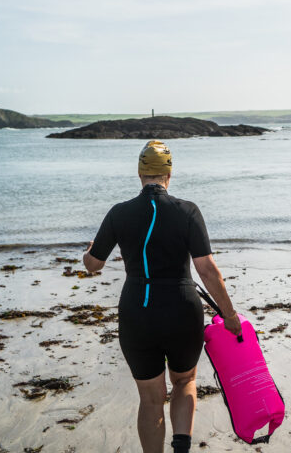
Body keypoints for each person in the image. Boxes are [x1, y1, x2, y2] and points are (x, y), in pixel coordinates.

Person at [83, 140, 242, 453]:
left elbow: (93, 266)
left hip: (137, 312)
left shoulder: (118, 213)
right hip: (181, 310)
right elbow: (207, 270)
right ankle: (181, 447)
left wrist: (87, 251)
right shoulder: (187, 211)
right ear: (169, 173)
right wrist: (230, 315)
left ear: (140, 173)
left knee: (151, 399)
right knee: (184, 381)